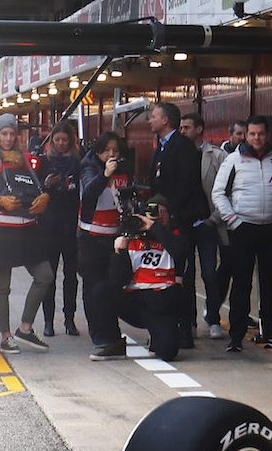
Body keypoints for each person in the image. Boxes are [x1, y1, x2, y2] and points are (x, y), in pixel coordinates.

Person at [211, 115, 272, 353]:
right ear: (246, 135)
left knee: (270, 286)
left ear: (267, 135)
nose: (257, 138)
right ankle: (236, 337)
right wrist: (233, 221)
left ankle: (271, 334)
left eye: (261, 134)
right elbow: (219, 193)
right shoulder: (233, 161)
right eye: (252, 134)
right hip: (242, 229)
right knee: (241, 284)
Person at [0, 114, 55, 353]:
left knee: (45, 276)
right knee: (2, 286)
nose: (8, 138)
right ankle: (5, 335)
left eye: (12, 133)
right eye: (4, 133)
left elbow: (39, 187)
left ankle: (25, 328)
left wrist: (46, 198)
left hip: (28, 231)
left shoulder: (26, 161)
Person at [148, 101, 204, 349]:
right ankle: (166, 322)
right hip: (161, 220)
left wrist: (171, 212)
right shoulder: (161, 147)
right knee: (164, 272)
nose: (150, 120)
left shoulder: (182, 147)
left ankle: (185, 327)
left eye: (154, 116)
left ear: (165, 121)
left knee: (181, 275)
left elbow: (186, 183)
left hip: (178, 220)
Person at [109, 195, 192, 362]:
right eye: (153, 212)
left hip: (161, 301)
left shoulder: (175, 237)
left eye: (162, 212)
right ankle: (110, 341)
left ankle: (159, 335)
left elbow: (180, 252)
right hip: (136, 299)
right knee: (100, 291)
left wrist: (156, 228)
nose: (158, 216)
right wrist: (119, 252)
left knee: (168, 352)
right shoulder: (134, 236)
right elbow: (118, 280)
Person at [78, 132, 133, 360]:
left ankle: (111, 332)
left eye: (116, 150)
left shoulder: (123, 169)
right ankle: (98, 334)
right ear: (99, 151)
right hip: (91, 237)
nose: (112, 154)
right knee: (92, 286)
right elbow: (89, 192)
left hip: (115, 236)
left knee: (110, 285)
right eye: (107, 150)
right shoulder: (89, 166)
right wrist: (105, 174)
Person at [180, 112, 232, 340]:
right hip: (184, 223)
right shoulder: (177, 154)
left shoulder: (217, 156)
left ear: (199, 129)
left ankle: (212, 317)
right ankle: (188, 320)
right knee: (186, 273)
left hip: (208, 223)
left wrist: (215, 218)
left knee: (210, 273)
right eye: (180, 128)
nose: (182, 132)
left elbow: (226, 191)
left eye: (187, 128)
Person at [35, 122, 82, 337]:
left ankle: (70, 319)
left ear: (70, 141)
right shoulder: (44, 163)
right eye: (57, 140)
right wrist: (46, 185)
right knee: (49, 275)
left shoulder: (78, 163)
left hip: (71, 225)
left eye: (65, 140)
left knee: (71, 276)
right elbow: (35, 192)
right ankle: (48, 321)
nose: (61, 144)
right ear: (52, 141)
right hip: (49, 226)